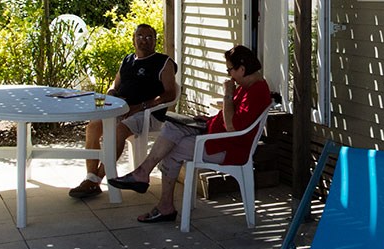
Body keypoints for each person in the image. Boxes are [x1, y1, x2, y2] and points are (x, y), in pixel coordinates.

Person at [108, 44, 272, 223]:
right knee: (172, 127)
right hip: (215, 136)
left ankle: (163, 204)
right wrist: (209, 120)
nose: (229, 75)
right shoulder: (247, 85)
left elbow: (232, 126)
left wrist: (227, 94)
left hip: (226, 147)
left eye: (230, 70)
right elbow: (231, 117)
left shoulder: (255, 91)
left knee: (172, 149)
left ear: (242, 68)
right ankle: (143, 173)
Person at [68, 24, 178, 199]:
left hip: (147, 113)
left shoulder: (163, 62)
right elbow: (115, 85)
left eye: (149, 37)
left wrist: (139, 106)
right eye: (140, 36)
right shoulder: (128, 60)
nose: (144, 40)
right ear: (133, 40)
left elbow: (170, 94)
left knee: (119, 131)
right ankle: (90, 176)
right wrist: (112, 94)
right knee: (93, 127)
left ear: (155, 41)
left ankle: (95, 180)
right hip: (121, 109)